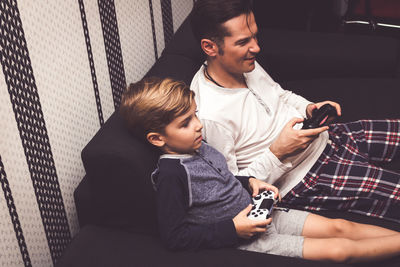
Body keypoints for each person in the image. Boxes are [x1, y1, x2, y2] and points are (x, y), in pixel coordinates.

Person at [119, 76, 400, 262]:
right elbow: (175, 236)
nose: (198, 124)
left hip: (263, 211)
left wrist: (251, 182)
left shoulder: (199, 145)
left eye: (194, 115)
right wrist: (233, 229)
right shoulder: (171, 175)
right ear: (157, 139)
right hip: (248, 239)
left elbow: (225, 180)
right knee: (340, 251)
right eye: (185, 123)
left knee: (340, 227)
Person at [190, 0, 400, 222]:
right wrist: (278, 152)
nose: (256, 48)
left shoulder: (242, 62)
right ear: (210, 47)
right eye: (243, 42)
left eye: (254, 36)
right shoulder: (210, 116)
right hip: (307, 176)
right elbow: (234, 187)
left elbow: (280, 95)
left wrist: (309, 108)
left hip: (327, 137)